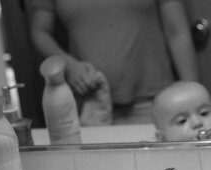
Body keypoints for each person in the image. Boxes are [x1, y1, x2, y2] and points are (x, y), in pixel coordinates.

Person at [27, 0, 199, 125]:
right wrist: (69, 66)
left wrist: (193, 98)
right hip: (89, 104)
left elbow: (176, 32)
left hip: (152, 102)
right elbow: (40, 31)